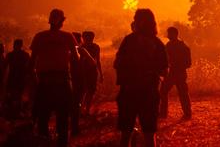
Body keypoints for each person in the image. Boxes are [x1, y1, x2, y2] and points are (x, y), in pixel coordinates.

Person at [114, 9, 168, 147]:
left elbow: (117, 64)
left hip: (136, 92)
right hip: (140, 92)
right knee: (143, 133)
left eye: (136, 18)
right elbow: (164, 70)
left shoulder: (130, 40)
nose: (134, 21)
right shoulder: (155, 43)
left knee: (133, 133)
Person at [30, 9, 79, 147]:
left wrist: (34, 80)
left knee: (43, 116)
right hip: (62, 80)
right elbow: (76, 58)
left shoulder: (39, 36)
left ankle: (44, 141)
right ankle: (61, 143)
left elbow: (32, 62)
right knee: (63, 116)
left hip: (44, 81)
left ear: (49, 20)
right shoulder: (68, 36)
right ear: (62, 22)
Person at [160, 26, 192, 120]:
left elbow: (188, 63)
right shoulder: (182, 46)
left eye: (169, 33)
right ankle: (187, 113)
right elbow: (188, 63)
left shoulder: (172, 46)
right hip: (177, 73)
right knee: (182, 93)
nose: (168, 35)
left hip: (176, 73)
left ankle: (163, 113)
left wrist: (175, 65)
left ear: (174, 34)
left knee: (165, 92)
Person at [70, 32, 96, 136]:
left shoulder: (64, 50)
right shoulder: (81, 50)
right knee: (76, 102)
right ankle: (74, 128)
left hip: (67, 78)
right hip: (79, 78)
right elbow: (93, 62)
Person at [4, 39, 30, 119]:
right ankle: (15, 112)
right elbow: (29, 66)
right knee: (17, 95)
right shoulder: (24, 55)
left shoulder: (10, 55)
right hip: (18, 77)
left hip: (15, 77)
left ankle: (14, 112)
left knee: (15, 95)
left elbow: (5, 66)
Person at [80, 31, 102, 115]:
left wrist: (100, 73)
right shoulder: (81, 47)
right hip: (84, 71)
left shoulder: (95, 47)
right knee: (86, 91)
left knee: (90, 91)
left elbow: (97, 60)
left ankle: (85, 109)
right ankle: (84, 109)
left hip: (91, 71)